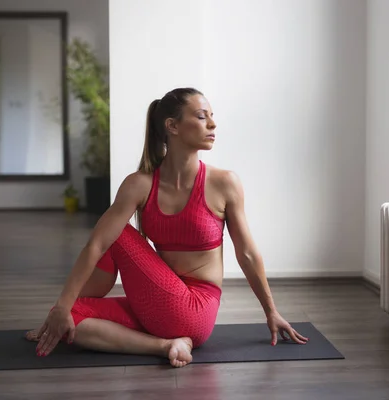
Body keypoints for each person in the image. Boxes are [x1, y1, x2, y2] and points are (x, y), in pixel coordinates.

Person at [26, 87, 308, 368]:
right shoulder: (140, 184)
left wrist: (271, 312)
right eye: (201, 116)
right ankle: (166, 345)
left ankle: (171, 341)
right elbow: (96, 246)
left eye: (212, 116)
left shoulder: (224, 183)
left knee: (118, 235)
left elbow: (246, 253)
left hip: (196, 309)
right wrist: (63, 308)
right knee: (68, 315)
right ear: (172, 126)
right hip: (158, 303)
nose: (212, 124)